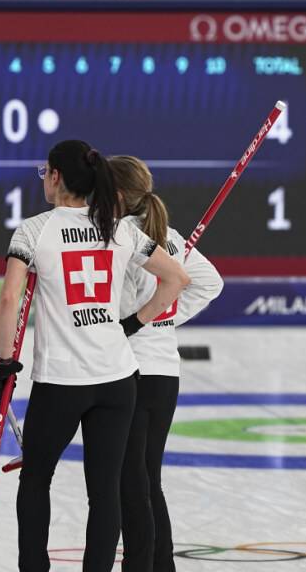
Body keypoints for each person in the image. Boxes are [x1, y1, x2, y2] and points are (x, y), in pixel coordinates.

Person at [0, 140, 190, 572]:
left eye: (44, 171)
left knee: (36, 479)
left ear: (57, 177)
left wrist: (3, 361)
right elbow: (177, 278)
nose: (42, 177)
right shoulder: (121, 229)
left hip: (61, 380)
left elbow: (9, 300)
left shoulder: (33, 230)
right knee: (104, 492)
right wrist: (134, 324)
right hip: (118, 378)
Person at [109, 156, 223, 572]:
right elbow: (209, 283)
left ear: (118, 196)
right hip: (163, 374)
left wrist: (145, 319)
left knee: (132, 482)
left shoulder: (120, 234)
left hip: (133, 369)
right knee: (144, 478)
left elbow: (207, 283)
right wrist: (166, 317)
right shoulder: (170, 237)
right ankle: (160, 565)